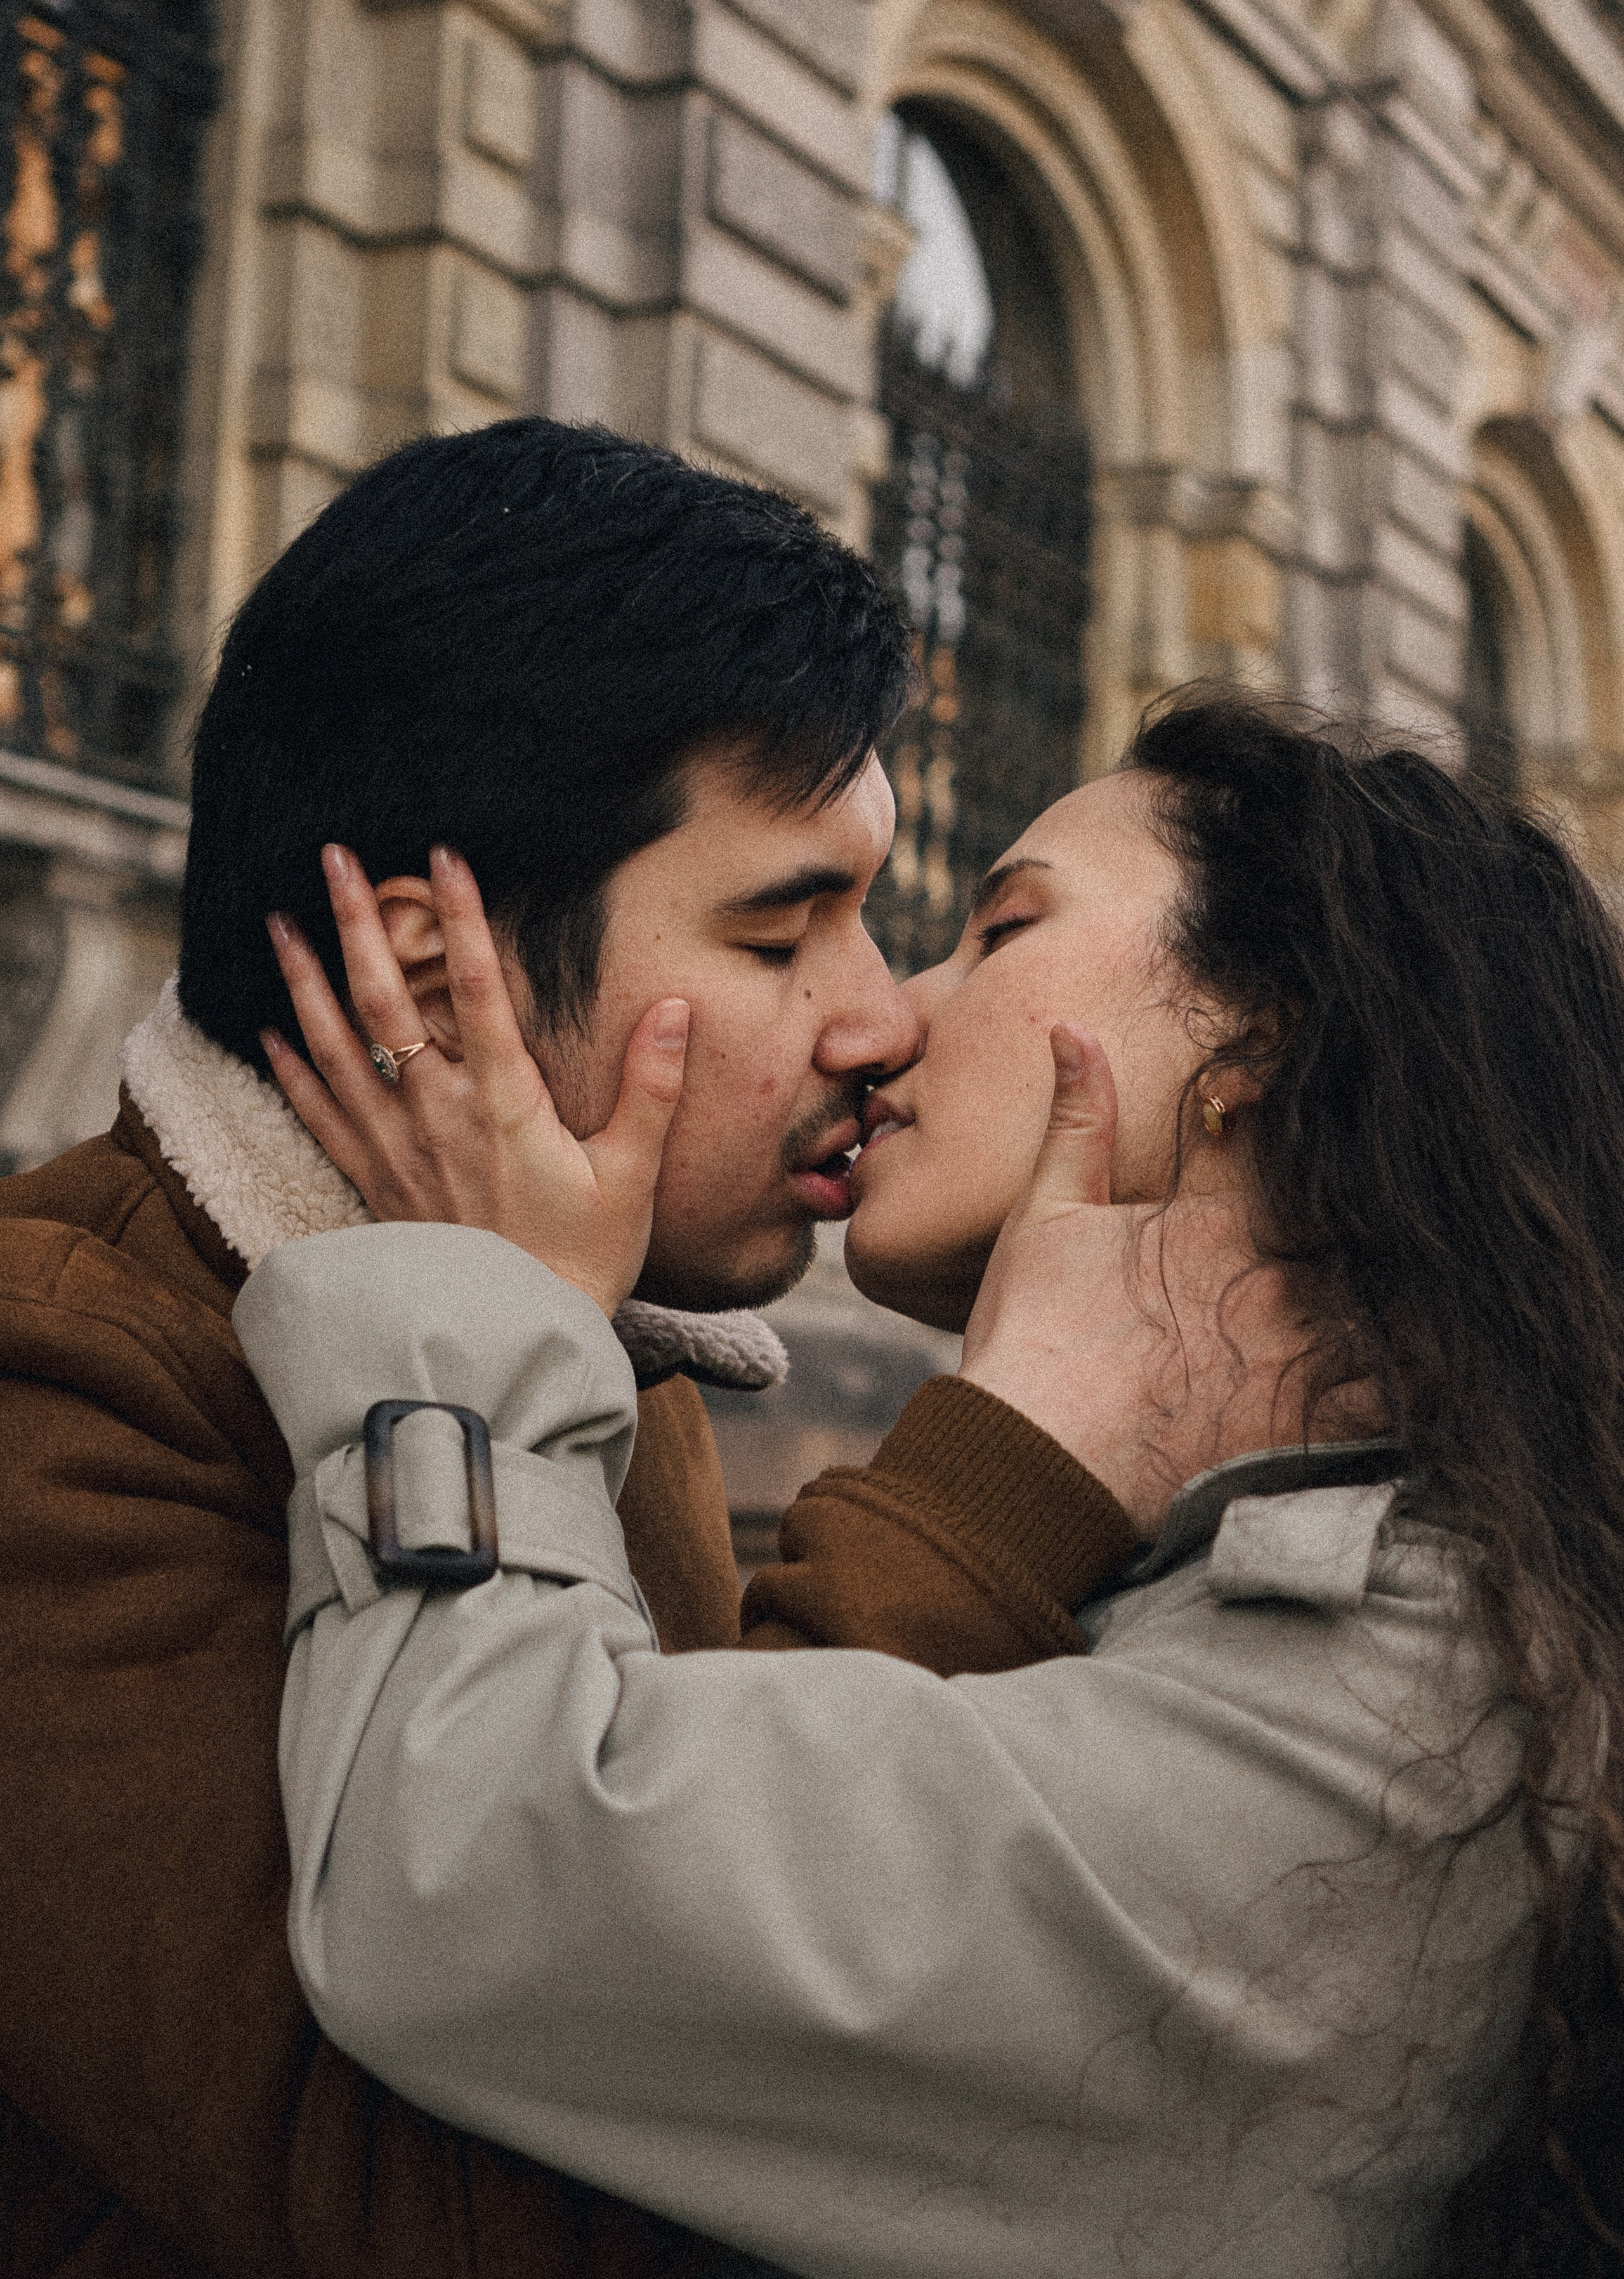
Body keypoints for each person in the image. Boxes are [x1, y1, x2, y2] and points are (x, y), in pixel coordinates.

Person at [253, 689, 1624, 2278]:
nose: (893, 1014)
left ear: (1257, 1034)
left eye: (999, 930)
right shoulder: (1430, 1594)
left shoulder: (1412, 1713)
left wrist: (485, 1294)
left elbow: (472, 1886)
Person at [0, 416, 1056, 2278]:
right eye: (783, 928)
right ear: (431, 977)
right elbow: (492, 2217)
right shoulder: (62, 1388)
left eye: (871, 916)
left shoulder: (569, 1316)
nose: (880, 1019)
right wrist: (1022, 1470)